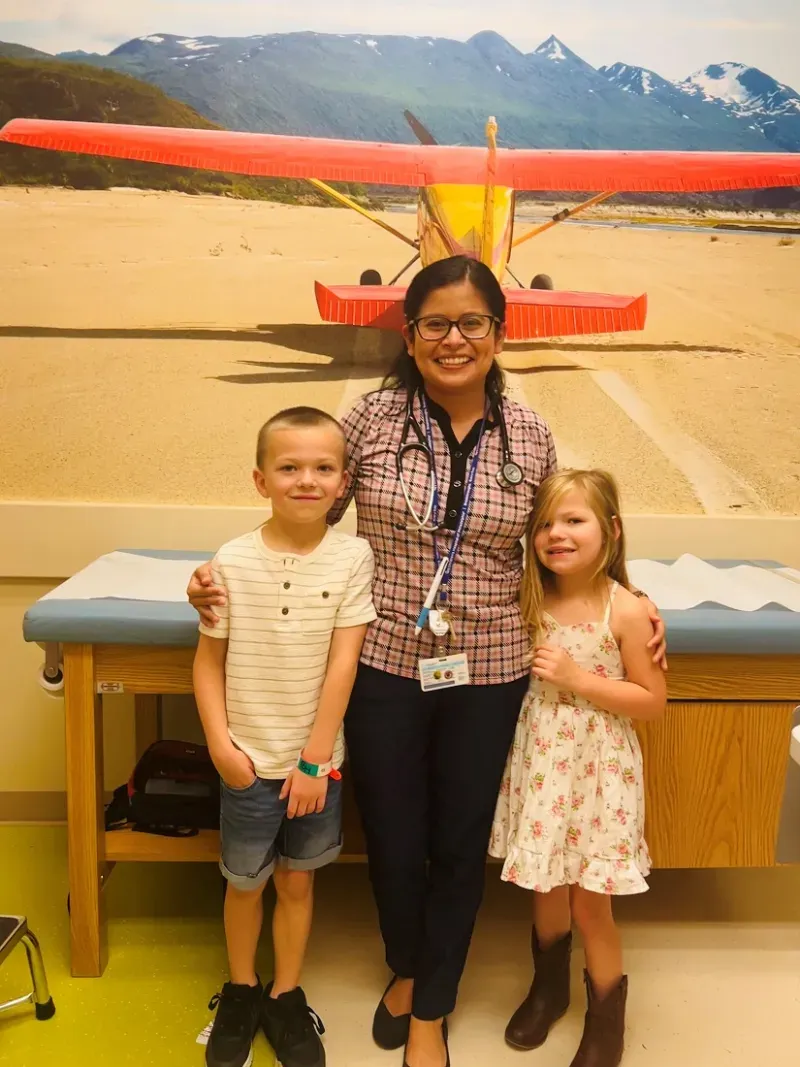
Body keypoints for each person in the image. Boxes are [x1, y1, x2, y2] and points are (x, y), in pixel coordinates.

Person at [187, 255, 667, 1067]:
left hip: (490, 667)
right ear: (409, 337)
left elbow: (562, 545)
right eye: (435, 323)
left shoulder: (530, 435)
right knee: (397, 840)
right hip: (382, 662)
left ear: (497, 335)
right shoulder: (369, 423)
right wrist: (216, 576)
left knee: (456, 839)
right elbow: (303, 512)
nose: (454, 338)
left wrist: (633, 601)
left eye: (472, 322)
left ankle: (428, 1010)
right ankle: (407, 965)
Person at [193, 406, 377, 1067]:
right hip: (247, 762)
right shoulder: (230, 561)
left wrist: (313, 758)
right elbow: (207, 660)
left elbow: (343, 663)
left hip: (315, 767)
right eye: (289, 466)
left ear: (343, 480)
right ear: (259, 478)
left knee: (297, 882)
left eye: (323, 467)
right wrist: (221, 746)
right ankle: (241, 989)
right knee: (245, 882)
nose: (307, 479)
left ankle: (285, 991)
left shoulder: (354, 556)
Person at [489, 468, 667, 1067]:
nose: (555, 534)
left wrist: (576, 679)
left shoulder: (628, 610)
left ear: (610, 531)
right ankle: (548, 989)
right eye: (543, 524)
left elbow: (652, 701)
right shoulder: (528, 595)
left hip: (599, 770)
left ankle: (606, 1018)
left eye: (573, 520)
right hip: (541, 759)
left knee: (591, 900)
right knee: (545, 883)